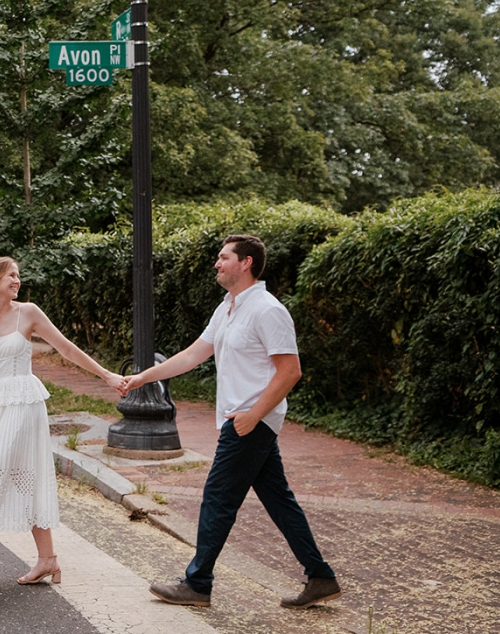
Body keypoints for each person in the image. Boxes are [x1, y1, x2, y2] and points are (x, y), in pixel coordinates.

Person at [116, 233, 341, 609]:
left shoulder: (268, 309)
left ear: (246, 262)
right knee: (279, 501)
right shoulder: (228, 308)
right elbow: (193, 355)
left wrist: (253, 417)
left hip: (249, 421)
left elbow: (290, 372)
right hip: (241, 421)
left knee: (218, 499)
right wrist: (143, 377)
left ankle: (198, 582)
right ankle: (320, 577)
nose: (217, 264)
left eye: (224, 258)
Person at [0, 255, 126, 587]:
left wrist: (106, 376)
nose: (17, 281)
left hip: (26, 405)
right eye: (11, 276)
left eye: (18, 275)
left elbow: (67, 349)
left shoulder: (29, 313)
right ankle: (47, 560)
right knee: (21, 478)